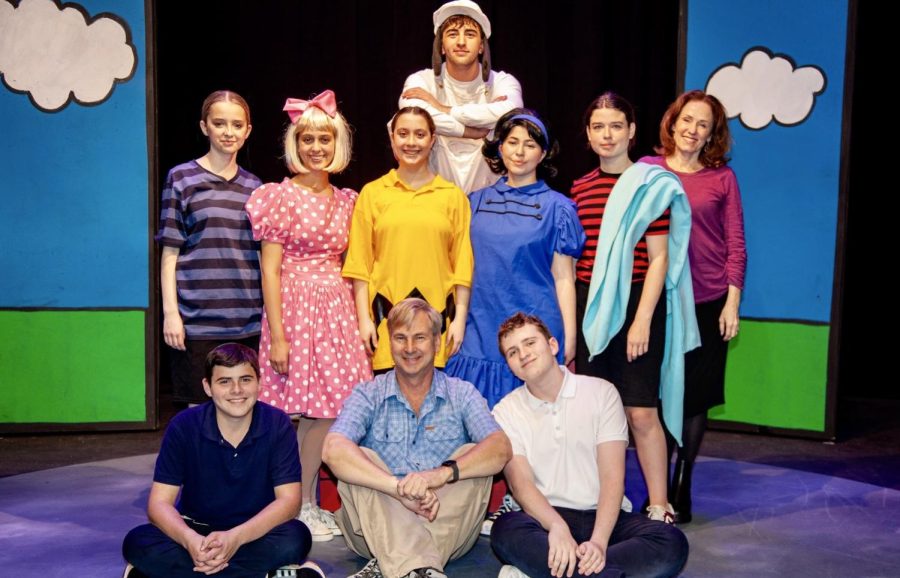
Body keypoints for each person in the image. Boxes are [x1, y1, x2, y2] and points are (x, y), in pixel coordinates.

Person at [245, 90, 373, 541]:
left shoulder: (349, 201)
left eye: (323, 138)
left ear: (337, 142)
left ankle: (307, 504)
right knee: (287, 414)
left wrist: (361, 321)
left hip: (335, 309)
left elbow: (357, 268)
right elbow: (271, 269)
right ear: (294, 144)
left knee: (327, 413)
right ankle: (282, 503)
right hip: (294, 308)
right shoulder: (276, 197)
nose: (315, 147)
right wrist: (277, 335)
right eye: (307, 139)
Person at [322, 298, 512, 578]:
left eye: (420, 338)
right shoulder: (367, 393)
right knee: (360, 458)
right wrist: (397, 489)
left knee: (474, 454)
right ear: (390, 343)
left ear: (437, 342)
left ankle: (395, 565)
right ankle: (420, 567)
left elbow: (500, 448)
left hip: (444, 520)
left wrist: (438, 476)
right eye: (400, 338)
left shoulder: (462, 393)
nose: (410, 348)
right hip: (374, 527)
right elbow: (332, 451)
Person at [491, 313, 689, 578]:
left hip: (605, 518)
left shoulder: (601, 392)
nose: (523, 354)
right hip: (544, 519)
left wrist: (598, 542)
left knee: (670, 542)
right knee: (505, 530)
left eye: (530, 343)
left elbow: (612, 479)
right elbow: (521, 485)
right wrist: (557, 528)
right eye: (513, 352)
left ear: (552, 346)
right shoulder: (506, 410)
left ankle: (549, 571)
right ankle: (598, 573)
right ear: (510, 366)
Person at [573, 93, 692, 523]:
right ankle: (605, 498)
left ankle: (659, 504)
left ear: (632, 131)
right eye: (598, 127)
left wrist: (641, 319)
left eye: (616, 126)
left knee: (640, 410)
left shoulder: (650, 184)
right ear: (588, 134)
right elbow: (577, 261)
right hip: (592, 305)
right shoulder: (580, 188)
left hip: (640, 301)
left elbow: (659, 258)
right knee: (595, 411)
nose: (608, 135)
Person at [121, 344, 324, 578]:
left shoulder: (277, 423)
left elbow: (289, 502)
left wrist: (235, 538)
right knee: (137, 541)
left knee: (296, 537)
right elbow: (158, 504)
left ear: (259, 383)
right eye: (224, 381)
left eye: (245, 379)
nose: (236, 390)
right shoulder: (184, 426)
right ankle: (271, 575)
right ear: (208, 387)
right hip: (197, 532)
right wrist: (190, 541)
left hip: (254, 531)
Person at [642, 90, 747, 523]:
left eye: (703, 124)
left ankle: (682, 481)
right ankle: (657, 485)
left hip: (707, 300)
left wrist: (732, 303)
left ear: (712, 134)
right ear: (673, 122)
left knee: (695, 397)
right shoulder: (647, 170)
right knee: (658, 392)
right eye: (687, 120)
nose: (692, 129)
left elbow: (736, 244)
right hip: (656, 299)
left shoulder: (723, 179)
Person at [446, 108, 585, 408]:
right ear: (499, 146)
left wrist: (570, 337)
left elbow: (564, 278)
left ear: (543, 153)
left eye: (530, 144)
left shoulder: (558, 209)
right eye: (512, 141)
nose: (520, 152)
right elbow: (461, 271)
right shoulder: (473, 203)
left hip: (534, 333)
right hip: (478, 331)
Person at [343, 107, 473, 373]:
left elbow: (462, 266)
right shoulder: (372, 193)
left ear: (432, 139)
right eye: (403, 134)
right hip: (386, 324)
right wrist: (365, 320)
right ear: (392, 139)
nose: (411, 142)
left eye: (420, 134)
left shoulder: (453, 196)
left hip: (438, 326)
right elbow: (359, 265)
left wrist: (459, 320)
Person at [156, 90, 263, 406]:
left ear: (247, 131)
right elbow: (170, 253)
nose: (229, 132)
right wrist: (171, 314)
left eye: (236, 124)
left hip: (247, 319)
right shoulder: (182, 178)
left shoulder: (255, 187)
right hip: (197, 321)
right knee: (198, 411)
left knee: (243, 407)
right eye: (220, 123)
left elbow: (261, 254)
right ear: (205, 127)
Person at [399, 0, 523, 193]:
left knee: (506, 126)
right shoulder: (421, 80)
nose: (461, 42)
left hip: (489, 198)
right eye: (453, 34)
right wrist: (469, 131)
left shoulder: (503, 82)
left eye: (470, 34)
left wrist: (443, 109)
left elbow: (509, 112)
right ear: (441, 46)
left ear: (481, 46)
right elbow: (411, 116)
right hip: (433, 194)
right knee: (406, 124)